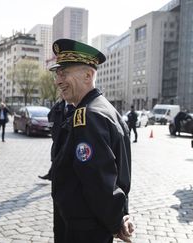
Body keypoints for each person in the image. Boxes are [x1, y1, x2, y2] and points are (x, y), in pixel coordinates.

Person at [48, 38, 134, 243]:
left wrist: (115, 222)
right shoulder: (105, 109)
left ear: (88, 75)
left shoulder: (88, 116)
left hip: (83, 228)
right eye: (57, 74)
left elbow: (98, 180)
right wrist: (120, 215)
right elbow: (117, 175)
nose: (58, 81)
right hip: (92, 225)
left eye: (64, 73)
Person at [38, 98, 74, 180]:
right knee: (55, 158)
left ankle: (52, 175)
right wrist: (52, 129)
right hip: (58, 138)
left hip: (68, 140)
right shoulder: (58, 105)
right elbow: (50, 116)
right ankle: (52, 175)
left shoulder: (77, 105)